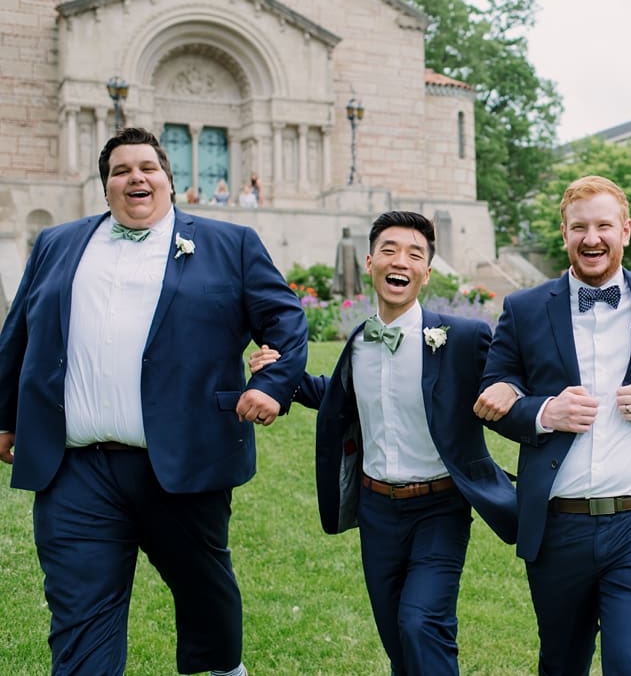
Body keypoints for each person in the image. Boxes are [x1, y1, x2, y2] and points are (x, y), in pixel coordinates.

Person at [0, 127, 309, 676]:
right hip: (75, 471)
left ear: (169, 179)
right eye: (120, 171)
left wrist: (272, 384)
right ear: (105, 187)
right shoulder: (56, 244)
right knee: (79, 617)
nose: (135, 178)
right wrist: (4, 417)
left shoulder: (230, 244)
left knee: (203, 591)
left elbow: (285, 319)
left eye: (147, 167)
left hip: (185, 460)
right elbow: (18, 334)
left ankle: (222, 668)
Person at [473, 175, 631, 675]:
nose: (592, 238)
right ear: (564, 233)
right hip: (558, 525)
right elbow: (494, 391)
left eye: (604, 226)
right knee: (562, 664)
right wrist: (544, 412)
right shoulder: (524, 309)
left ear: (625, 230)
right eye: (579, 228)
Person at [250, 211, 517, 675]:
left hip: (440, 508)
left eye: (414, 254)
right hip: (376, 511)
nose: (401, 261)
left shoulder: (462, 338)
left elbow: (507, 380)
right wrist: (277, 376)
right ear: (371, 263)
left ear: (426, 273)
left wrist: (514, 391)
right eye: (389, 251)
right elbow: (336, 395)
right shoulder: (359, 343)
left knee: (422, 624)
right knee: (398, 639)